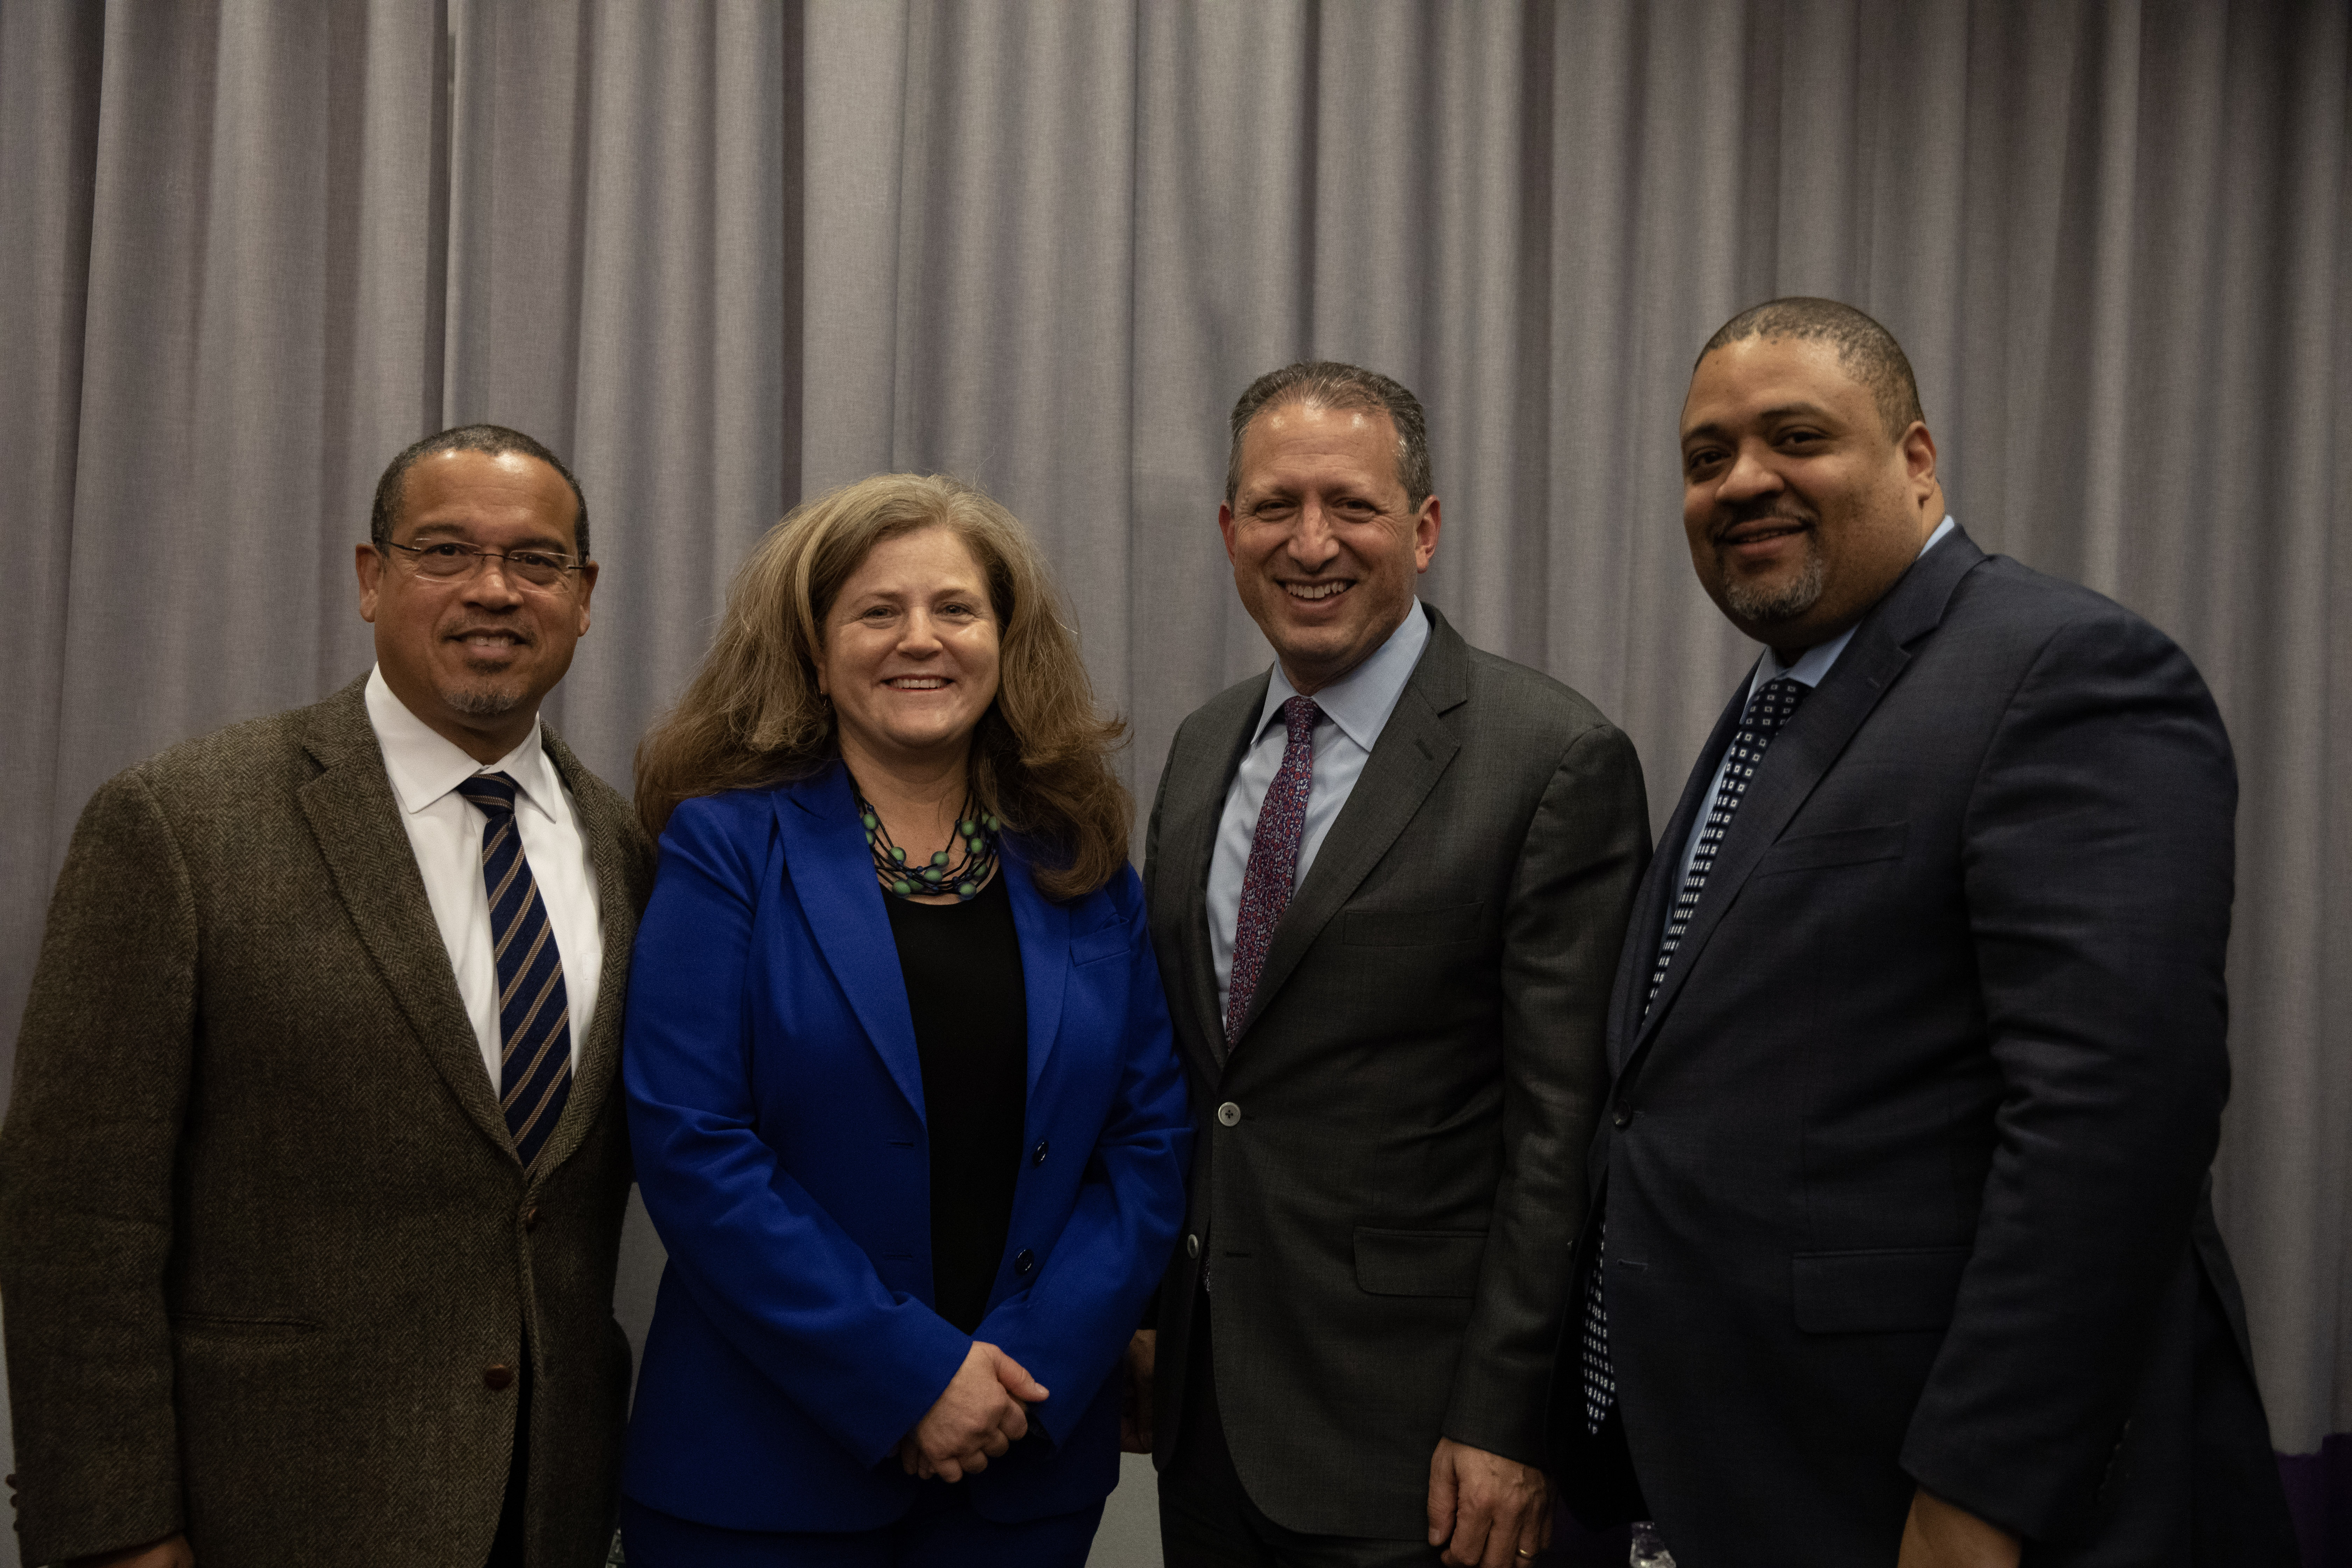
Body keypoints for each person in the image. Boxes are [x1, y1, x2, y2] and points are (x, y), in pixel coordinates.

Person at [1556, 298, 2300, 1566]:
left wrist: (1980, 1498)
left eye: (1796, 436)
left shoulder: (2063, 673)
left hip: (1938, 1498)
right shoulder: (1783, 704)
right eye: (1705, 458)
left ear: (1916, 459)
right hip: (1754, 1473)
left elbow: (2110, 1127)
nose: (1744, 482)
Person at [0, 426, 654, 1567]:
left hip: (550, 1505)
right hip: (266, 1506)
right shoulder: (183, 822)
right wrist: (115, 1532)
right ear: (371, 578)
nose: (494, 590)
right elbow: (76, 1220)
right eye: (445, 551)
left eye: (537, 561)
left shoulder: (633, 854)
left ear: (585, 596)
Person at [618, 472, 1192, 1566]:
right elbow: (692, 1145)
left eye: (956, 610)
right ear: (815, 652)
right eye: (878, 611)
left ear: (1004, 641)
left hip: (1017, 1466)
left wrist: (1016, 1374)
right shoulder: (725, 849)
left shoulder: (1084, 867)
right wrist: (910, 1377)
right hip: (762, 1479)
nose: (918, 640)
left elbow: (1149, 1146)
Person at [1138, 362, 1651, 1568]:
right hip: (1204, 1417)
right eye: (1274, 507)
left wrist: (1504, 1421)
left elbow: (1561, 1134)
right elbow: (1202, 1075)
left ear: (1421, 531)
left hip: (1420, 1444)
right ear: (1228, 532)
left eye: (1352, 506)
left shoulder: (1553, 759)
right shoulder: (1204, 744)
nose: (1311, 542)